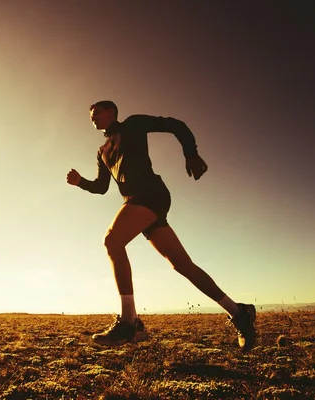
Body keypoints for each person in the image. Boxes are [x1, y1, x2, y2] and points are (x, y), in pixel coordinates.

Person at [66, 100, 256, 352]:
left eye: (97, 113)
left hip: (150, 194)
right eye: (90, 116)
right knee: (182, 265)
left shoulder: (133, 125)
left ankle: (129, 322)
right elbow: (102, 187)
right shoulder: (102, 151)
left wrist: (191, 152)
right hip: (136, 203)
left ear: (112, 112)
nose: (93, 118)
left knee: (112, 241)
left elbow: (175, 125)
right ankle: (239, 312)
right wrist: (81, 182)